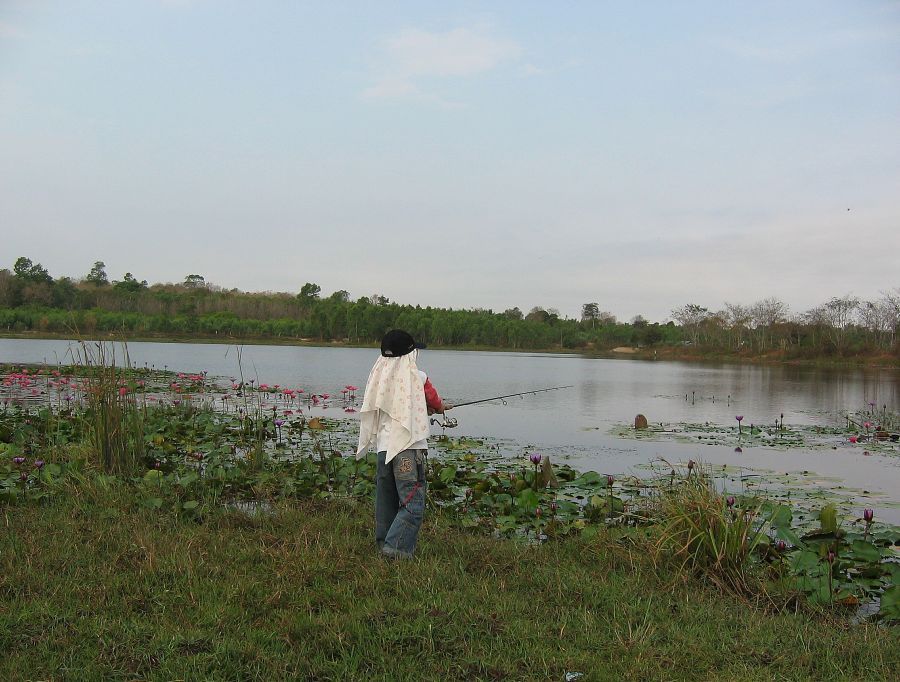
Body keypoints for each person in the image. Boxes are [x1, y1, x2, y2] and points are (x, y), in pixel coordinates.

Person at [356, 329, 451, 559]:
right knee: (412, 502)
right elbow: (434, 400)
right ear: (410, 354)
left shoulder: (378, 380)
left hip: (383, 449)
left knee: (385, 501)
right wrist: (439, 408)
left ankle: (384, 543)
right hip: (407, 450)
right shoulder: (418, 377)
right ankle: (395, 550)